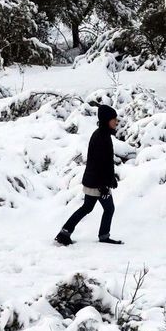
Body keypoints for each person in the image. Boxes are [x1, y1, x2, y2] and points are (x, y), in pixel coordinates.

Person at [55, 103, 123, 246]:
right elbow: (99, 164)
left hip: (95, 181)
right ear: (106, 120)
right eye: (114, 119)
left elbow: (105, 163)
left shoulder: (101, 134)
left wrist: (111, 179)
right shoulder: (101, 137)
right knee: (109, 208)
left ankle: (64, 233)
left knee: (87, 208)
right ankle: (103, 236)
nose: (116, 121)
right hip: (98, 183)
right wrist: (104, 185)